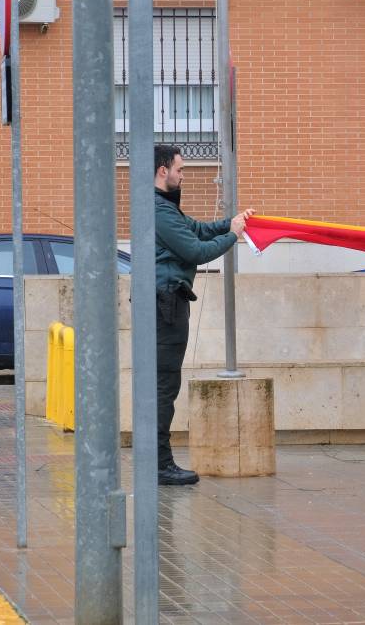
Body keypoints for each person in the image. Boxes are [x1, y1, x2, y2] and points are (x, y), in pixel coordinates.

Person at [154, 145, 252, 485]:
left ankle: (158, 462)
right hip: (165, 304)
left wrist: (234, 223)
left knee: (164, 384)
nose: (183, 175)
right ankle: (160, 465)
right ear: (163, 171)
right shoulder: (159, 210)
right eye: (179, 169)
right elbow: (196, 250)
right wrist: (233, 236)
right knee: (164, 385)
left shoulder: (164, 208)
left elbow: (197, 229)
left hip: (167, 301)